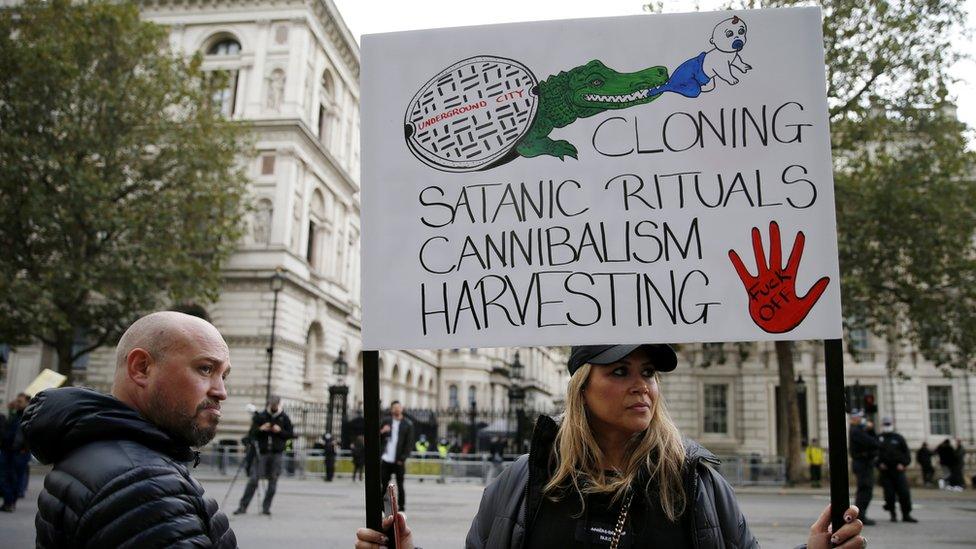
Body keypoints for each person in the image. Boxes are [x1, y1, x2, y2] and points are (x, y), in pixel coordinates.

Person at [357, 344, 865, 549]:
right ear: (582, 387)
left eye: (647, 372)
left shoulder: (696, 480)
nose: (640, 384)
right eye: (619, 371)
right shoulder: (520, 482)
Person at [20, 311, 236, 547]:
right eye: (205, 369)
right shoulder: (145, 485)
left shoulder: (94, 450)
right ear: (141, 368)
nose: (221, 391)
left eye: (223, 375)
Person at [235, 395, 293, 515]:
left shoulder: (284, 418)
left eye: (275, 405)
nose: (273, 407)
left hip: (276, 453)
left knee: (273, 481)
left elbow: (290, 434)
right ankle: (243, 506)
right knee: (253, 479)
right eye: (271, 405)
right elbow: (251, 434)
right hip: (261, 453)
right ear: (268, 404)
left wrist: (280, 431)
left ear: (278, 404)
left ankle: (266, 507)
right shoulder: (261, 416)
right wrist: (261, 428)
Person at [876, 417, 916, 522]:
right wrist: (879, 464)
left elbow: (906, 454)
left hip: (898, 471)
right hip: (886, 472)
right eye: (885, 424)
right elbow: (875, 455)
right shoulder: (879, 438)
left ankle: (906, 514)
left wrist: (903, 464)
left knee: (904, 493)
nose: (887, 426)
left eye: (888, 424)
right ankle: (892, 513)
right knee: (889, 494)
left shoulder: (898, 438)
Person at [380, 401, 414, 511]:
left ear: (402, 409)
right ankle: (383, 506)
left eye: (398, 407)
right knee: (384, 483)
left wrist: (403, 458)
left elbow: (409, 443)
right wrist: (382, 431)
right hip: (386, 458)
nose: (396, 409)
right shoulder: (386, 421)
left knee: (400, 484)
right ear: (391, 410)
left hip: (398, 459)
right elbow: (377, 437)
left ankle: (402, 507)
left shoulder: (407, 424)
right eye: (394, 408)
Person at [1, 393, 30, 512]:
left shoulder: (28, 417)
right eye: (17, 401)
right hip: (9, 451)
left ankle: (10, 502)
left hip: (18, 452)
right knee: (6, 477)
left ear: (27, 403)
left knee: (13, 478)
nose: (17, 403)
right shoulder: (16, 414)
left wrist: (22, 448)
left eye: (20, 402)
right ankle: (9, 502)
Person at [849, 409, 879, 525]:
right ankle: (860, 515)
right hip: (862, 463)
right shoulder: (856, 430)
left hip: (864, 463)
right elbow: (873, 442)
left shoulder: (858, 429)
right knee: (865, 490)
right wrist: (871, 430)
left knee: (865, 490)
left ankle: (860, 514)